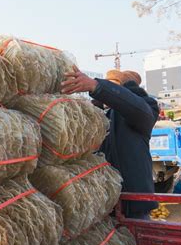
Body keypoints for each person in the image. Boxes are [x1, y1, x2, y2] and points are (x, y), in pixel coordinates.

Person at [61, 67, 159, 218]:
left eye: (112, 86)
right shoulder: (103, 114)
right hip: (105, 204)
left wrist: (97, 86)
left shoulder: (144, 111)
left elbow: (132, 106)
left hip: (132, 206)